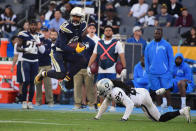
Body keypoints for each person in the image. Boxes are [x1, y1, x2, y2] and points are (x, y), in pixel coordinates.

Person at [94, 78, 191, 123]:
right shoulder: (112, 92)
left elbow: (130, 104)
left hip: (142, 100)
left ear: (107, 88)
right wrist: (98, 116)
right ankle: (156, 92)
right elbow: (105, 104)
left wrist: (124, 118)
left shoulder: (115, 93)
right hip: (141, 92)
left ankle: (183, 111)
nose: (99, 91)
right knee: (153, 113)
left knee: (159, 119)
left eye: (100, 89)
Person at [34, 7, 87, 86]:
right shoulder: (65, 27)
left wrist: (81, 44)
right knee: (61, 74)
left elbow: (78, 37)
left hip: (68, 52)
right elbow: (62, 46)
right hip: (58, 51)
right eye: (74, 16)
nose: (75, 18)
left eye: (77, 17)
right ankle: (43, 74)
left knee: (82, 60)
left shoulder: (83, 25)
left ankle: (67, 79)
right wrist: (75, 50)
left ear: (82, 18)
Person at [87, 25, 127, 112]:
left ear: (112, 32)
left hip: (112, 69)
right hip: (101, 70)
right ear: (104, 32)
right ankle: (102, 106)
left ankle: (113, 106)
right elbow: (94, 56)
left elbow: (122, 56)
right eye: (106, 30)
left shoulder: (117, 43)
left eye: (109, 30)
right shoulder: (99, 43)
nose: (108, 32)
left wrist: (124, 68)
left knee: (112, 89)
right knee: (100, 89)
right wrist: (88, 66)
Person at [17, 20, 45, 109]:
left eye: (34, 25)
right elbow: (18, 47)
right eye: (31, 25)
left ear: (37, 26)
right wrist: (25, 50)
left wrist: (39, 43)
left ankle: (30, 102)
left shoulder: (40, 36)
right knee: (26, 81)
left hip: (35, 61)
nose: (33, 27)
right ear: (29, 26)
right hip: (25, 60)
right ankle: (24, 101)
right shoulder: (23, 34)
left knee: (33, 82)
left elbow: (43, 51)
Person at [145, 27, 174, 110]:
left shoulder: (167, 45)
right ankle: (159, 106)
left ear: (161, 34)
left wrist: (170, 70)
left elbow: (171, 58)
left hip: (165, 72)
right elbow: (146, 58)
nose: (156, 35)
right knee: (156, 90)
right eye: (155, 33)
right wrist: (148, 69)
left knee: (166, 89)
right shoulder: (149, 45)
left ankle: (169, 106)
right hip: (152, 72)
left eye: (158, 33)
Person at [73, 36, 96, 110]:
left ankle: (91, 104)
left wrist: (93, 66)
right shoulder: (74, 41)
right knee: (77, 87)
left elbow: (95, 55)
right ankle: (77, 104)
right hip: (76, 67)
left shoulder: (91, 42)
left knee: (90, 87)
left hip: (87, 67)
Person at [36, 27, 54, 107]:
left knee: (48, 84)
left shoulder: (49, 42)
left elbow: (47, 52)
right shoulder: (36, 41)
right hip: (38, 65)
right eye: (42, 31)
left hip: (47, 65)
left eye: (45, 32)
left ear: (48, 33)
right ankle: (38, 101)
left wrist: (41, 46)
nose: (44, 33)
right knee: (38, 84)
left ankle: (50, 101)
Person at [10, 36, 23, 103]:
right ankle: (21, 96)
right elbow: (16, 56)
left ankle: (27, 97)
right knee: (20, 81)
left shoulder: (29, 42)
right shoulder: (16, 45)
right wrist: (12, 66)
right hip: (20, 62)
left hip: (29, 62)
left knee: (28, 81)